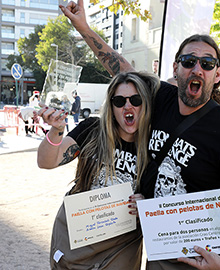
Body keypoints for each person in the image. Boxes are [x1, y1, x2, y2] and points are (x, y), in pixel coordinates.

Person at [60, 1, 220, 269]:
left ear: (217, 75)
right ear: (175, 68)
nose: (197, 69)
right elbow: (120, 68)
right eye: (189, 61)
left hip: (206, 256)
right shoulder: (161, 99)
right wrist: (83, 27)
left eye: (207, 63)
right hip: (161, 249)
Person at [37, 71, 160, 269]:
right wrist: (56, 130)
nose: (128, 106)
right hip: (77, 238)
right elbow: (46, 161)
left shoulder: (155, 145)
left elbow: (164, 200)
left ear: (145, 103)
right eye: (119, 101)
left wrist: (146, 205)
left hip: (119, 246)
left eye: (135, 100)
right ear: (111, 106)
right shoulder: (93, 129)